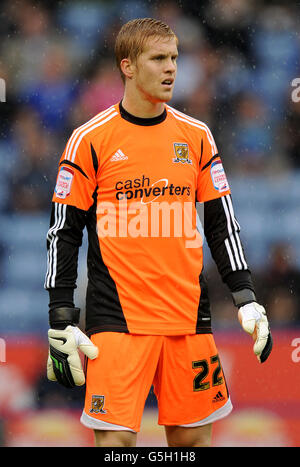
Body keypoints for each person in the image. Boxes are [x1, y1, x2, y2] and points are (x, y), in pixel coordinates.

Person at [45, 18, 272, 448]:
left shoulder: (197, 136)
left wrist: (245, 296)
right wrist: (60, 315)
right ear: (127, 66)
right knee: (116, 447)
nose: (171, 69)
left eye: (175, 58)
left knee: (192, 444)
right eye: (159, 59)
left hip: (188, 320)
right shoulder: (89, 140)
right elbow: (64, 231)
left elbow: (222, 222)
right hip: (116, 321)